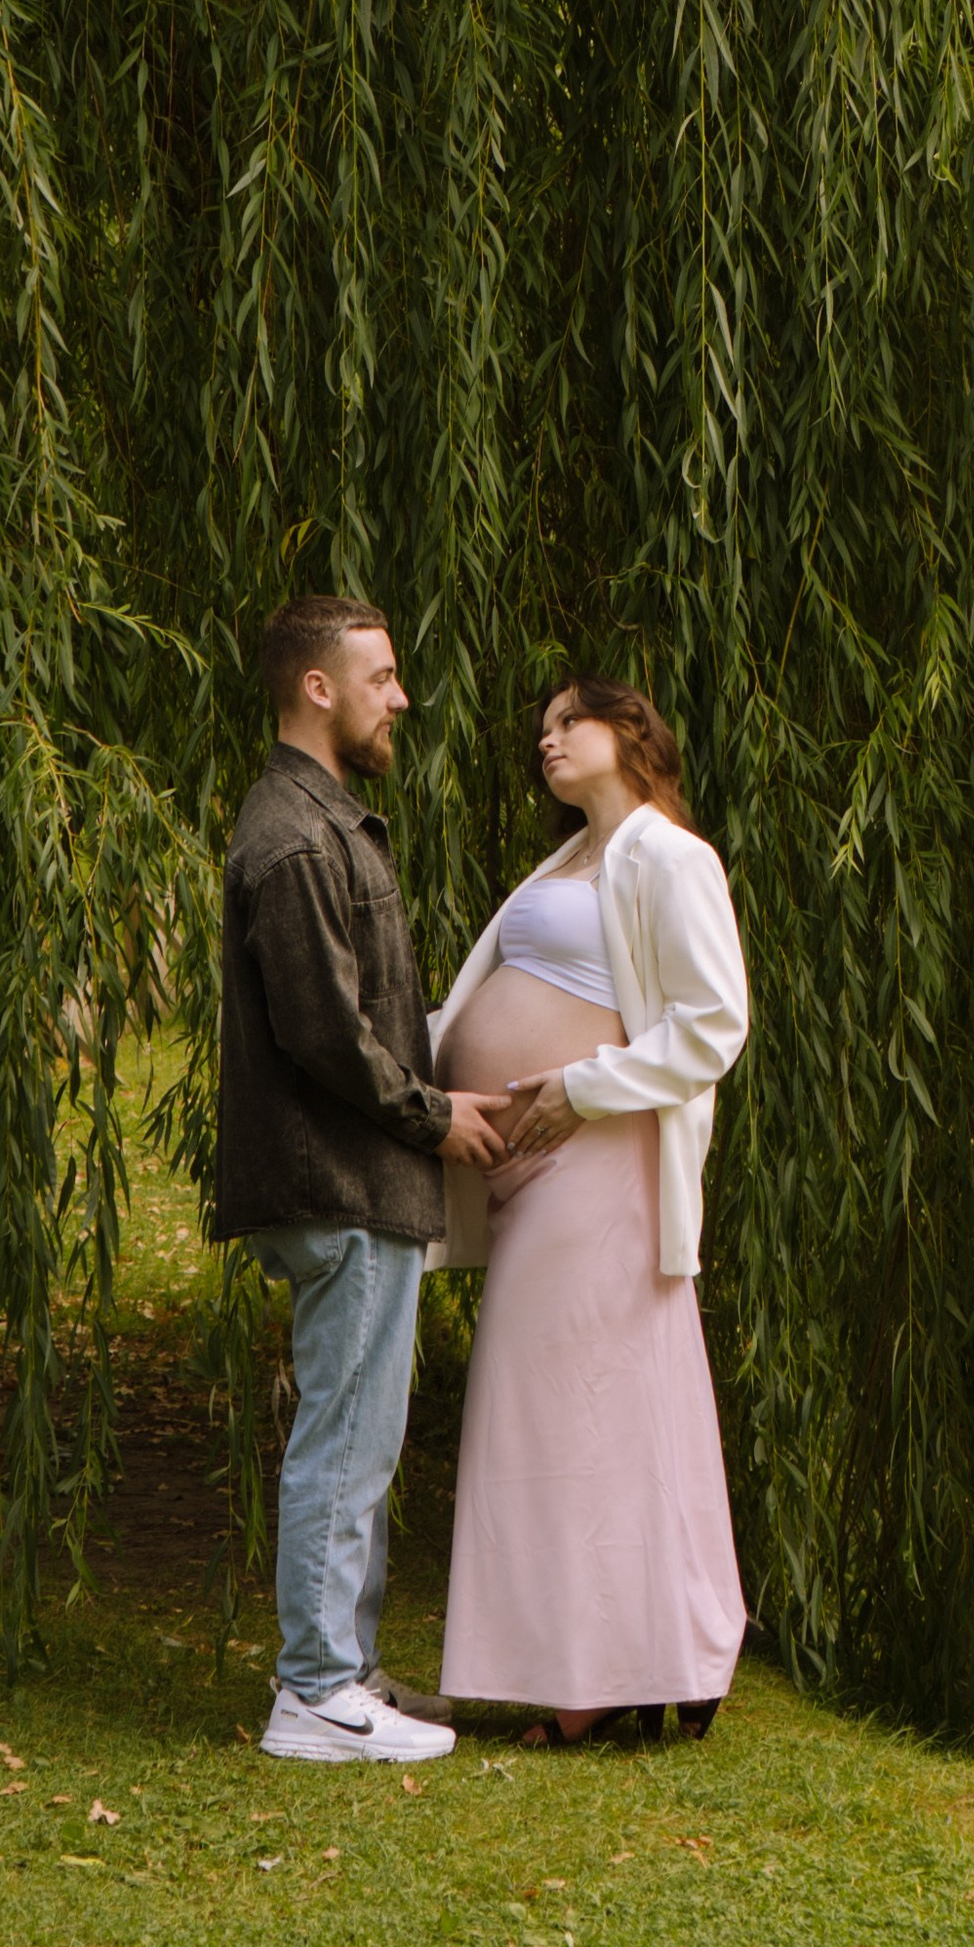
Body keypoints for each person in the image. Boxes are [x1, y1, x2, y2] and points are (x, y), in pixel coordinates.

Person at [216, 594, 509, 1764]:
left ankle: (353, 1675)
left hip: (357, 1183)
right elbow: (325, 1032)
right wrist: (434, 1118)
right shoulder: (292, 835)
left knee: (365, 1432)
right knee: (344, 1434)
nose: (401, 697)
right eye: (381, 677)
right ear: (317, 689)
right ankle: (314, 1694)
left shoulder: (324, 820)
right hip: (335, 1181)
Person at [430, 676, 748, 1740]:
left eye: (572, 721)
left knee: (576, 1411)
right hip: (532, 1169)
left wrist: (579, 1084)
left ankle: (600, 1682)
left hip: (599, 1162)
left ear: (631, 733)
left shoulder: (668, 855)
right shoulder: (569, 858)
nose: (547, 737)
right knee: (565, 1412)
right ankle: (614, 1665)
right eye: (544, 723)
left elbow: (714, 1025)